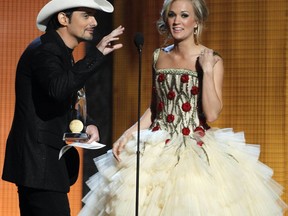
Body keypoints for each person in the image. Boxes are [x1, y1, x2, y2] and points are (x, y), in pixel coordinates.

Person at [79, 0, 287, 215]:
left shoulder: (211, 59)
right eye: (172, 15)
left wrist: (206, 70)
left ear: (196, 21)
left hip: (195, 148)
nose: (177, 21)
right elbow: (155, 108)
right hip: (156, 148)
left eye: (184, 15)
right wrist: (128, 133)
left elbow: (213, 114)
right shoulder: (158, 56)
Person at [1, 0, 124, 215]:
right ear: (63, 19)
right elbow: (58, 89)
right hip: (39, 166)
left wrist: (88, 123)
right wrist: (96, 55)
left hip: (45, 167)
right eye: (86, 16)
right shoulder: (45, 51)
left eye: (93, 16)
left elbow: (58, 101)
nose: (94, 22)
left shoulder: (58, 51)